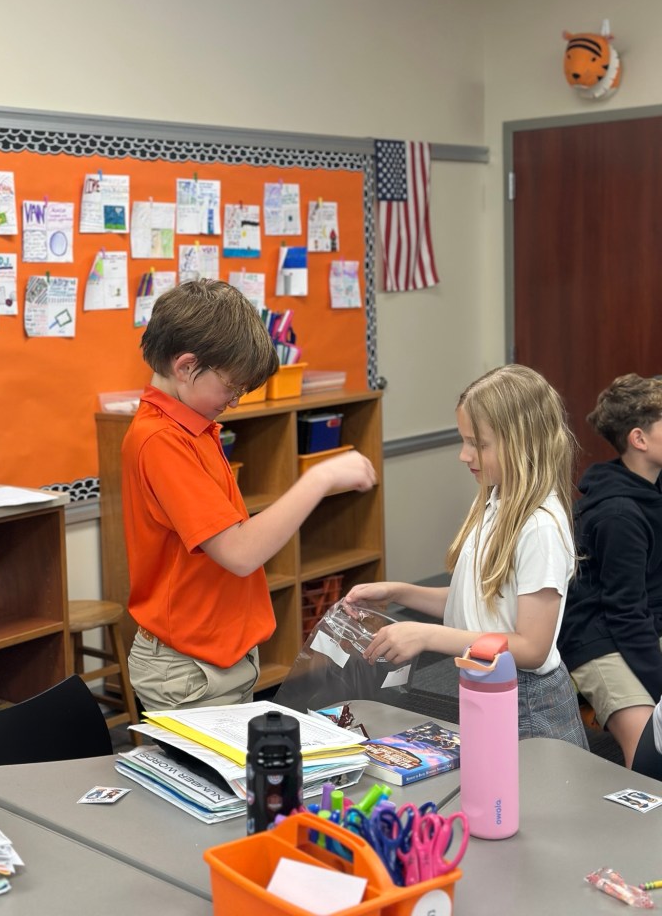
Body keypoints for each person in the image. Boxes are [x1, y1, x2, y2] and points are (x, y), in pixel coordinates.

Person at [122, 278, 377, 712]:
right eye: (231, 387)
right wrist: (318, 478)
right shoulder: (161, 440)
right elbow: (239, 552)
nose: (236, 401)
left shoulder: (191, 426)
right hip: (190, 668)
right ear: (186, 367)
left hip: (216, 656)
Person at [344, 364, 588, 748]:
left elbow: (531, 647)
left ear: (522, 442)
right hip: (484, 683)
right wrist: (399, 592)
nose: (463, 454)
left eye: (478, 444)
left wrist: (427, 635)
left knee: (529, 788)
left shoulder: (539, 526)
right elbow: (477, 604)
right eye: (464, 441)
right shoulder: (495, 500)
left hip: (527, 702)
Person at [558, 374, 662, 766]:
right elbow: (624, 615)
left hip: (644, 623)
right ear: (639, 439)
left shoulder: (652, 486)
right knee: (651, 757)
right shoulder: (619, 515)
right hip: (600, 636)